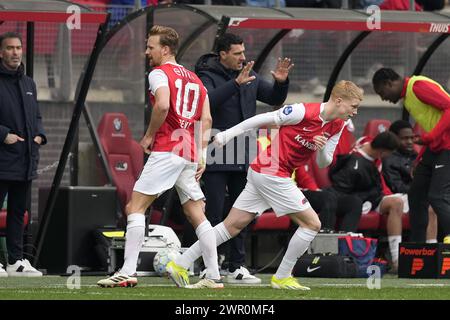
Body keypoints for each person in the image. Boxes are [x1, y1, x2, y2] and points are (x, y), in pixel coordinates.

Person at [167, 80, 363, 290]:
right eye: (353, 106)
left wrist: (321, 147)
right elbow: (261, 119)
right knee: (312, 224)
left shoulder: (338, 125)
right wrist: (227, 135)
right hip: (271, 172)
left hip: (265, 172)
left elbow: (324, 162)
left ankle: (179, 264)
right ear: (339, 100)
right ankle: (282, 276)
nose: (355, 112)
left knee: (230, 226)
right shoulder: (302, 111)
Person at [97, 25, 221, 288]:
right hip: (188, 152)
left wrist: (149, 135)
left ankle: (128, 271)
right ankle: (213, 275)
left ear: (165, 50)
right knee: (197, 214)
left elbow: (163, 104)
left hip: (168, 149)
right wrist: (200, 154)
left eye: (150, 47)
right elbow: (207, 118)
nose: (146, 52)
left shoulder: (158, 73)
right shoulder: (195, 79)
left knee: (135, 207)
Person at [191, 32, 293, 284]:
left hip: (243, 152)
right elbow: (207, 103)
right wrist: (235, 83)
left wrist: (281, 83)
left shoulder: (250, 74)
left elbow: (273, 99)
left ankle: (237, 266)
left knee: (241, 213)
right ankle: (208, 266)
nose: (243, 57)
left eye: (243, 52)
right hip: (214, 150)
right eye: (237, 53)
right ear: (222, 54)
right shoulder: (205, 75)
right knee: (213, 213)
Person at [372, 68, 450, 244]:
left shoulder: (418, 86)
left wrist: (429, 138)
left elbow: (449, 107)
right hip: (436, 147)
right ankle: (417, 247)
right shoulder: (408, 98)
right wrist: (419, 158)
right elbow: (432, 124)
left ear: (389, 83)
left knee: (437, 196)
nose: (383, 98)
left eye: (381, 92)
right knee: (416, 194)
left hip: (447, 146)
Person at [0, 32, 46, 277]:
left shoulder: (29, 83)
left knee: (18, 213)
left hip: (25, 160)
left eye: (18, 47)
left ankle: (15, 261)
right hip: (2, 158)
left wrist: (39, 135)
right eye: (10, 48)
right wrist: (3, 134)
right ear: (1, 52)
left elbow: (36, 115)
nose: (16, 52)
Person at [330, 132, 409, 271]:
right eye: (389, 153)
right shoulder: (355, 164)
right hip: (361, 200)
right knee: (396, 202)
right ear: (382, 151)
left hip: (373, 197)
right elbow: (344, 191)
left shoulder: (369, 144)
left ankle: (398, 259)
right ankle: (396, 260)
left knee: (399, 202)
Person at [382, 120, 438, 243]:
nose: (409, 142)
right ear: (394, 138)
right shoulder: (389, 159)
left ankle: (435, 249)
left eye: (412, 138)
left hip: (419, 196)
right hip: (400, 197)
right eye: (405, 138)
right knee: (429, 206)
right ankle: (426, 249)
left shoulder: (417, 156)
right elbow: (396, 186)